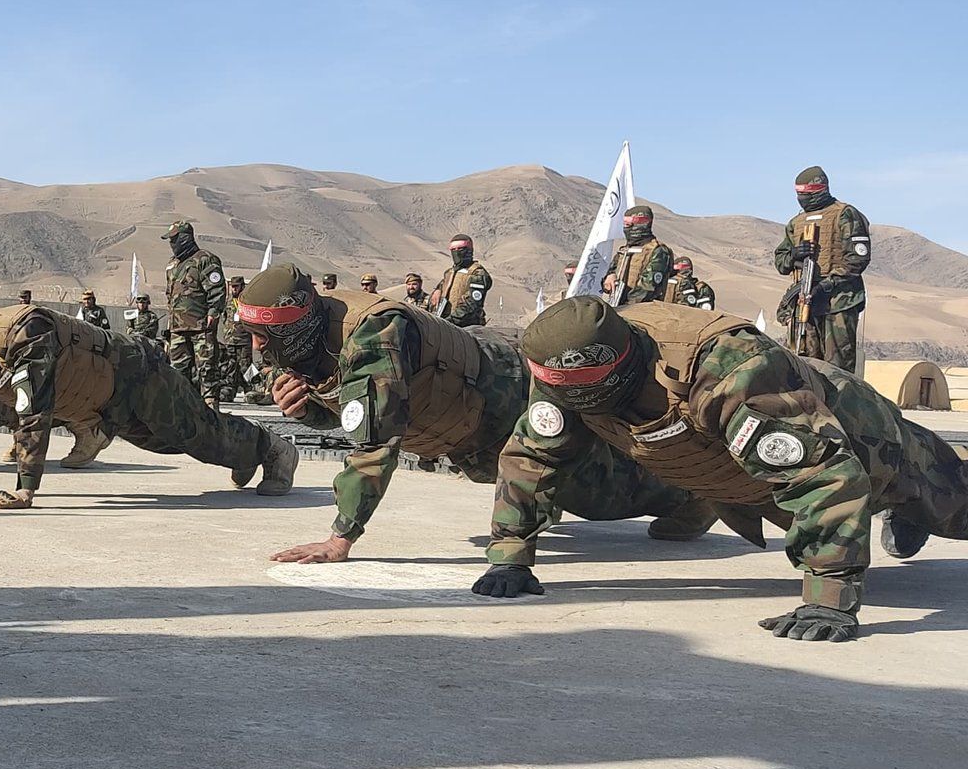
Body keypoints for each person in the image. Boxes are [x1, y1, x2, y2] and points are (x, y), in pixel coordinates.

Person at [480, 296, 968, 642]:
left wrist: (829, 596)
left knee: (951, 511)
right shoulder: (567, 370)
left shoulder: (724, 367)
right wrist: (509, 556)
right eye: (553, 382)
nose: (565, 393)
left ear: (619, 361)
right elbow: (533, 456)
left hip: (864, 438)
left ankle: (908, 509)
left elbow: (821, 474)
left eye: (580, 381)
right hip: (744, 476)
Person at [240, 261, 713, 564]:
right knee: (539, 486)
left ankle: (693, 498)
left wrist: (341, 537)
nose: (259, 348)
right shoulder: (304, 338)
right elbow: (353, 413)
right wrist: (308, 411)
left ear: (300, 321)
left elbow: (375, 440)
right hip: (467, 425)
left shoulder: (373, 333)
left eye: (268, 336)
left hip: (503, 396)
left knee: (596, 494)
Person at [0, 302, 298, 507]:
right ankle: (241, 454)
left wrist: (25, 489)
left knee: (194, 434)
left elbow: (33, 413)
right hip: (106, 396)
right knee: (166, 442)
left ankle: (274, 449)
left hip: (138, 374)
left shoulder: (28, 334)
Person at [773, 166, 870, 372]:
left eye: (806, 194)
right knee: (804, 364)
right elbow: (781, 262)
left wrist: (826, 285)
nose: (802, 199)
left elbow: (857, 259)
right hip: (805, 301)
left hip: (838, 302)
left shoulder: (845, 215)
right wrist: (795, 255)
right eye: (799, 195)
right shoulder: (796, 223)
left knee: (838, 369)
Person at [161, 220, 226, 403]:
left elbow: (217, 289)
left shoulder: (205, 259)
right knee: (178, 371)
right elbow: (170, 296)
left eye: (174, 240)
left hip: (200, 326)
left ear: (184, 238)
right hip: (177, 329)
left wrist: (213, 313)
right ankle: (184, 409)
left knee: (206, 368)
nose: (171, 244)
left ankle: (210, 407)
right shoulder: (172, 265)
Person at [602, 208, 674, 305]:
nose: (626, 228)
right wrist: (609, 278)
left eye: (629, 224)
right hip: (617, 306)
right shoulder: (624, 251)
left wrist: (625, 306)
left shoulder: (658, 251)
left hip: (643, 311)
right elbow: (610, 273)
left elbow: (648, 288)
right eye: (625, 224)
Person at [427, 235, 491, 327]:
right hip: (445, 324)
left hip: (467, 327)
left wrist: (450, 321)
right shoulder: (450, 273)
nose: (456, 252)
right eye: (453, 249)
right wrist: (437, 291)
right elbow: (441, 290)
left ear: (469, 250)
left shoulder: (477, 273)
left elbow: (471, 304)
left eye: (461, 249)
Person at [211, 276, 251, 403]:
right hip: (230, 340)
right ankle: (230, 391)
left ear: (242, 287)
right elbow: (224, 318)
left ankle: (250, 389)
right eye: (232, 287)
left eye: (236, 287)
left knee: (246, 367)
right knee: (230, 367)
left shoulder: (247, 302)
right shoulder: (227, 302)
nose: (234, 289)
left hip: (244, 340)